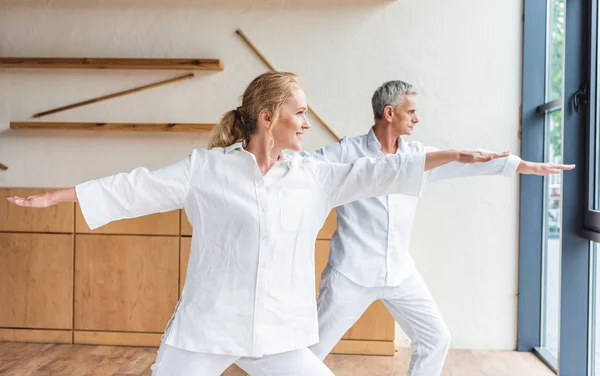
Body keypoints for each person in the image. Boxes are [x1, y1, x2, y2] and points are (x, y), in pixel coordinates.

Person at [7, 72, 510, 376]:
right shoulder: (207, 170)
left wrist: (451, 155)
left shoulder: (314, 177)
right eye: (300, 112)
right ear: (268, 117)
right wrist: (64, 194)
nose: (308, 123)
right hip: (205, 330)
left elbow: (380, 169)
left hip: (278, 336)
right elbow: (136, 187)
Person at [304, 80, 575, 376]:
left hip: (399, 273)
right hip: (351, 274)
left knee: (436, 339)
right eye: (411, 112)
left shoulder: (421, 156)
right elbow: (305, 167)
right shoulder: (347, 151)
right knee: (309, 353)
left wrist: (526, 166)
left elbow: (471, 161)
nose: (417, 119)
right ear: (389, 113)